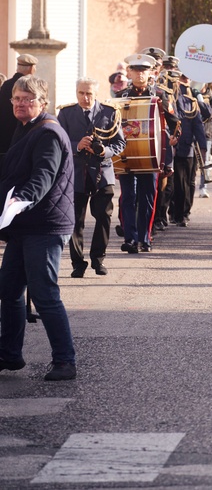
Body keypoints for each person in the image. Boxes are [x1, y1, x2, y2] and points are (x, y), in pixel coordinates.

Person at [0, 76, 78, 381]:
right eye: (17, 99)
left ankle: (65, 360)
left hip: (45, 224)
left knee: (44, 293)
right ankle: (9, 354)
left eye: (27, 99)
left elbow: (42, 176)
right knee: (8, 289)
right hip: (25, 223)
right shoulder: (25, 128)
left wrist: (20, 199)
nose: (21, 104)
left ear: (42, 103)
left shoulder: (47, 132)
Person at [57, 78, 126, 277]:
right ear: (76, 93)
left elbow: (120, 143)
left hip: (102, 173)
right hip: (76, 175)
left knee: (103, 217)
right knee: (75, 221)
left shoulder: (109, 112)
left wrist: (105, 151)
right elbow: (58, 141)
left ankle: (99, 259)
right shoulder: (66, 113)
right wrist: (77, 145)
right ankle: (78, 264)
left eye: (89, 94)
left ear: (96, 94)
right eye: (81, 93)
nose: (85, 98)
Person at [116, 53, 176, 253]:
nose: (140, 74)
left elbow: (173, 125)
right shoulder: (121, 97)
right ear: (129, 72)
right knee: (128, 197)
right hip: (126, 156)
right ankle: (130, 238)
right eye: (136, 70)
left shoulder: (159, 96)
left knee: (148, 198)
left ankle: (145, 238)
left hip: (151, 155)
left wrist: (168, 158)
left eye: (144, 70)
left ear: (151, 72)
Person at [170, 75, 210, 228]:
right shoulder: (167, 101)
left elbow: (199, 124)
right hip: (168, 148)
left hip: (186, 148)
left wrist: (203, 147)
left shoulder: (191, 102)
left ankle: (183, 213)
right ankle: (172, 212)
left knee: (187, 183)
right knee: (173, 185)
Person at [0, 54, 39, 170]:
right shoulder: (30, 87)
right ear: (32, 69)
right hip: (21, 138)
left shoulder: (6, 85)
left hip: (4, 139)